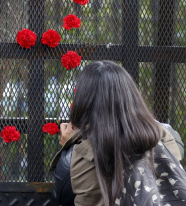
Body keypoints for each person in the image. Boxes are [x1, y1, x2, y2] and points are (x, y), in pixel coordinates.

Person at [50, 61, 184, 206]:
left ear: (84, 103)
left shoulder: (83, 157)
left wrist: (71, 144)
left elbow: (65, 193)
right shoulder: (163, 138)